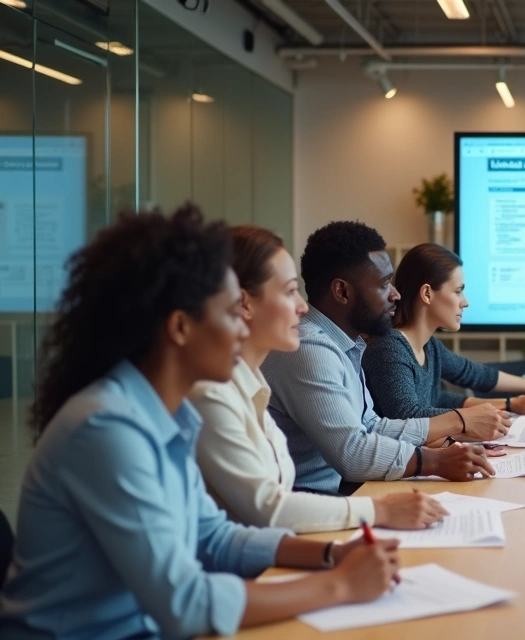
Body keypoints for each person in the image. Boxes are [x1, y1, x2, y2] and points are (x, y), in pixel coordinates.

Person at [0, 206, 401, 639]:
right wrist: (338, 585)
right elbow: (184, 604)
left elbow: (215, 538)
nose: (241, 330)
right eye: (232, 314)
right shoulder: (106, 430)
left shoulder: (167, 415)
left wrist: (330, 555)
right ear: (180, 327)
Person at [190, 226, 449, 534]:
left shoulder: (254, 379)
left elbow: (368, 426)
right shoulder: (295, 353)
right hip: (311, 510)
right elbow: (269, 509)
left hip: (304, 520)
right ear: (244, 304)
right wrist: (382, 507)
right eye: (289, 292)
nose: (301, 307)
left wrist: (333, 558)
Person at [262, 221, 502, 494]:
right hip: (311, 501)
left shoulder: (346, 345)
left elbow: (372, 427)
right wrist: (435, 458)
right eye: (384, 284)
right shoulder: (309, 348)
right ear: (342, 291)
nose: (396, 295)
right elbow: (352, 453)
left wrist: (446, 447)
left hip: (338, 492)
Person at [364, 243, 525, 420]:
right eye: (457, 292)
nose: (465, 303)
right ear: (427, 293)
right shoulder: (390, 349)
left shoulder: (429, 346)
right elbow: (409, 417)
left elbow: (470, 377)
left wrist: (524, 395)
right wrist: (478, 417)